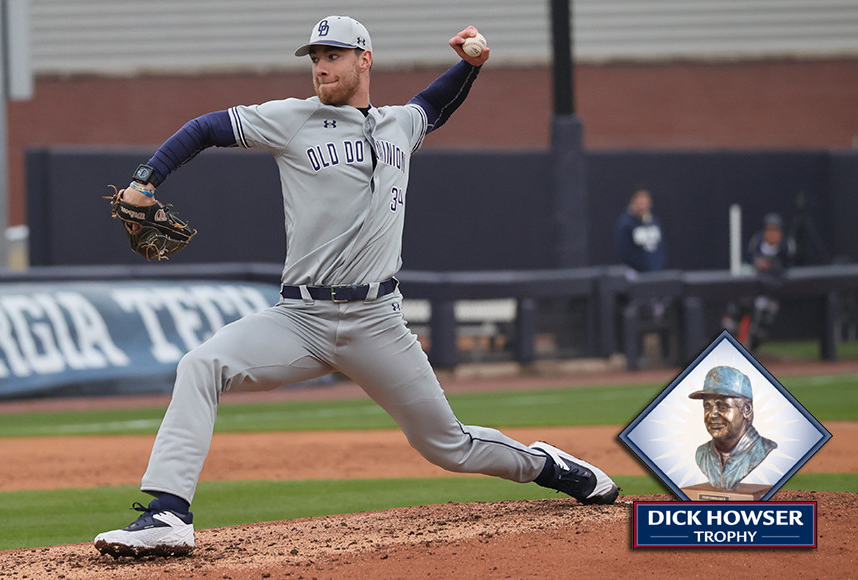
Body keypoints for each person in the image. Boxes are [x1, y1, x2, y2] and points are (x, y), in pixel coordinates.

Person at [93, 16, 619, 559]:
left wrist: (470, 65)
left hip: (378, 320)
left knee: (447, 446)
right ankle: (169, 514)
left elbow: (433, 104)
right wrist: (144, 180)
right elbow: (204, 128)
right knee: (201, 365)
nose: (321, 66)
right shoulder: (292, 119)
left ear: (364, 59)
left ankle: (548, 466)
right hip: (300, 320)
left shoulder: (399, 125)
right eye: (316, 56)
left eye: (334, 55)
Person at [689, 366, 777, 490]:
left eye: (723, 406)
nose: (712, 414)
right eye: (707, 406)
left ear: (747, 410)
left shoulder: (762, 449)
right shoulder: (702, 454)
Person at [723, 213, 795, 350]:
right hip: (753, 289)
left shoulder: (787, 246)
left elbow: (790, 268)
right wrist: (757, 265)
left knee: (760, 328)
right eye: (769, 230)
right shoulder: (756, 242)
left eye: (776, 231)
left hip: (771, 291)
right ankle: (729, 349)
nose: (772, 234)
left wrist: (772, 267)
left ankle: (751, 353)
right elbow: (745, 265)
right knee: (731, 320)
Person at [614, 187, 666, 273]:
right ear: (633, 202)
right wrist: (642, 268)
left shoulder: (654, 222)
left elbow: (661, 248)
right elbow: (626, 252)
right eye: (640, 202)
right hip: (636, 276)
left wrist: (656, 267)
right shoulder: (625, 224)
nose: (643, 205)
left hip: (656, 273)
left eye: (645, 202)